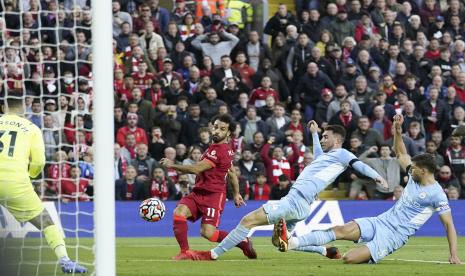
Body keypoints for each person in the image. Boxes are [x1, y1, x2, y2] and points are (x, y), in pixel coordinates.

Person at [189, 121, 387, 260]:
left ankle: (213, 254)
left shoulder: (343, 154)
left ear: (337, 139)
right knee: (280, 242)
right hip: (302, 205)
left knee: (247, 221)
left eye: (326, 137)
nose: (323, 140)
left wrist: (376, 176)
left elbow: (358, 164)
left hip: (295, 200)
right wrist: (315, 134)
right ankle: (325, 252)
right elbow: (318, 153)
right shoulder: (328, 157)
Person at [280, 114, 461, 265]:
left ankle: (328, 250)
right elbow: (401, 153)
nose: (410, 169)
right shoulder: (415, 175)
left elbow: (449, 225)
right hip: (381, 221)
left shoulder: (437, 194)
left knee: (349, 259)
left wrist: (454, 254)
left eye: (414, 168)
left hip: (394, 236)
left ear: (424, 171)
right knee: (341, 229)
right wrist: (397, 131)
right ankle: (291, 242)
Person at [0, 97, 87, 273]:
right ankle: (65, 260)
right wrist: (30, 176)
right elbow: (39, 161)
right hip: (14, 182)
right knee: (46, 221)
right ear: (24, 107)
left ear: (3, 107)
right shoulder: (31, 128)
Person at [159, 114, 256, 260]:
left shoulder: (219, 151)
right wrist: (236, 194)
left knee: (208, 234)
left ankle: (242, 242)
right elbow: (232, 173)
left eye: (222, 129)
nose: (217, 131)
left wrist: (171, 164)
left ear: (228, 133)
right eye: (215, 127)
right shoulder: (218, 148)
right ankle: (185, 251)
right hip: (198, 192)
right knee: (179, 212)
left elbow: (196, 169)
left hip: (213, 196)